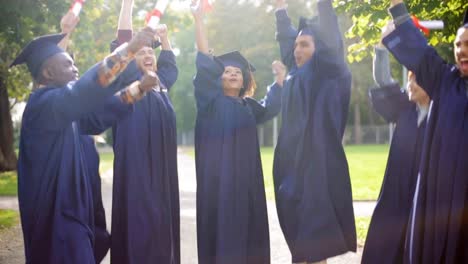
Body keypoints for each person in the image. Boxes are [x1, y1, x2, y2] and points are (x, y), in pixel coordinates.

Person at [12, 15, 159, 262]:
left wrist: (138, 89)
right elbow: (84, 91)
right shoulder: (43, 106)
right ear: (48, 72)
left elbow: (96, 115)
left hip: (73, 213)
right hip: (55, 218)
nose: (76, 69)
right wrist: (130, 48)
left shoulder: (65, 109)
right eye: (69, 65)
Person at [191, 1, 284, 263]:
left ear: (244, 80)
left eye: (237, 72)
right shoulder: (209, 102)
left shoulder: (247, 106)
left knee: (248, 231)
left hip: (247, 182)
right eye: (226, 71)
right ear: (217, 78)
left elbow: (269, 109)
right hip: (218, 183)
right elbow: (205, 64)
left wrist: (278, 84)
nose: (232, 74)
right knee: (222, 233)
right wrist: (199, 22)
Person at [383, 1, 468, 263]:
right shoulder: (445, 82)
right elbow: (421, 53)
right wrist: (398, 10)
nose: (462, 51)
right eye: (458, 45)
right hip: (442, 203)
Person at [271, 0, 356, 263]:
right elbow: (288, 48)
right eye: (296, 45)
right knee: (299, 235)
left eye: (304, 44)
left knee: (315, 237)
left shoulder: (329, 75)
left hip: (317, 165)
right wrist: (281, 13)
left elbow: (331, 39)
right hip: (291, 167)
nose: (297, 49)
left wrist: (323, 4)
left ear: (320, 50)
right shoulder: (296, 75)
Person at [109, 0, 180, 263]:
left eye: (152, 51)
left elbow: (171, 65)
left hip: (161, 168)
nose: (148, 54)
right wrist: (127, 4)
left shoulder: (161, 83)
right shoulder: (127, 77)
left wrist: (165, 37)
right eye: (142, 51)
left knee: (162, 222)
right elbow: (124, 39)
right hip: (135, 165)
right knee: (138, 220)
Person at [361, 42, 430, 264]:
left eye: (415, 79)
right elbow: (384, 79)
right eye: (409, 78)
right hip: (397, 190)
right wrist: (381, 50)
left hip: (428, 195)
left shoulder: (444, 112)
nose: (409, 84)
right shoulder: (404, 108)